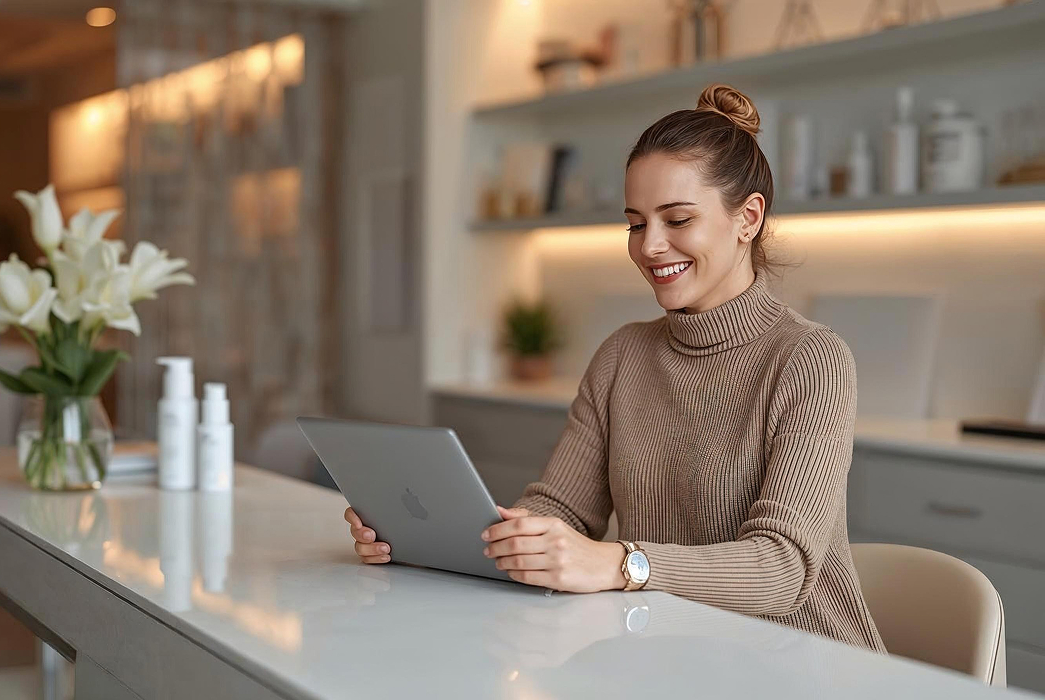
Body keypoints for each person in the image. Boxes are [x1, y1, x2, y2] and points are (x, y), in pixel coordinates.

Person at [344, 84, 885, 652]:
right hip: (669, 655)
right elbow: (562, 509)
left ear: (747, 218)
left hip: (806, 663)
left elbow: (781, 570)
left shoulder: (810, 360)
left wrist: (618, 563)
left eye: (678, 220)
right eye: (636, 224)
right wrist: (444, 538)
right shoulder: (623, 355)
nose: (650, 247)